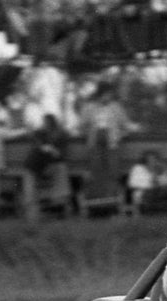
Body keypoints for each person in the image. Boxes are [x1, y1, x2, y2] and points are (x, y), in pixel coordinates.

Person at [82, 84, 132, 213]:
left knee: (113, 172)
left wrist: (118, 136)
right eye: (107, 94)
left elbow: (125, 125)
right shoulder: (89, 107)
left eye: (110, 94)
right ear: (101, 94)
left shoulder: (116, 107)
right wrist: (90, 134)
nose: (109, 97)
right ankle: (97, 206)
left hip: (112, 145)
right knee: (96, 172)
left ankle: (114, 204)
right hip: (95, 144)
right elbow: (83, 125)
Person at [22, 113, 70, 220]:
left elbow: (58, 154)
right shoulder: (42, 138)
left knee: (59, 171)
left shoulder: (52, 137)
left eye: (46, 123)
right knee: (31, 193)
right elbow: (34, 138)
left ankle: (43, 212)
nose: (44, 125)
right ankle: (32, 216)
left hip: (41, 166)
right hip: (33, 167)